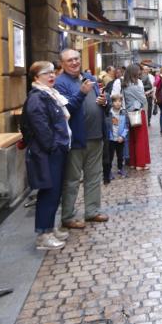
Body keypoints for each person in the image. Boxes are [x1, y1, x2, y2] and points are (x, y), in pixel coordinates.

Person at [54, 49, 109, 229]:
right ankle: (68, 216)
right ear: (62, 64)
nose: (74, 62)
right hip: (76, 138)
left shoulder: (88, 77)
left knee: (94, 176)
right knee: (72, 179)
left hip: (96, 135)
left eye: (77, 58)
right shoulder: (60, 83)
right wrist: (82, 93)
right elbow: (66, 108)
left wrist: (104, 101)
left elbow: (100, 100)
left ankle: (92, 211)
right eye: (70, 60)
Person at [22, 61, 71, 250]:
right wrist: (54, 146)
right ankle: (43, 234)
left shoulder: (49, 94)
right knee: (48, 193)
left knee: (54, 191)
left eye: (52, 72)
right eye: (46, 73)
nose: (52, 76)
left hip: (55, 151)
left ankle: (49, 228)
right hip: (47, 153)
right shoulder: (37, 97)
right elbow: (41, 127)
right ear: (36, 77)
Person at [124, 64, 151, 169]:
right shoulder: (134, 87)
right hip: (138, 112)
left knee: (133, 139)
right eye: (138, 71)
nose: (140, 72)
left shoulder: (125, 85)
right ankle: (140, 164)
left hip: (129, 112)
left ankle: (133, 162)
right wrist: (146, 93)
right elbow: (143, 99)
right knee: (140, 138)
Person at [104, 94, 129, 182]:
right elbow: (106, 125)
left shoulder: (124, 112)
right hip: (111, 139)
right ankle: (109, 171)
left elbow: (127, 126)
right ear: (112, 102)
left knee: (120, 155)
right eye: (115, 101)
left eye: (119, 101)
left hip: (120, 139)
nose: (118, 103)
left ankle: (120, 168)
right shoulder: (109, 112)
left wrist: (122, 136)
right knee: (110, 156)